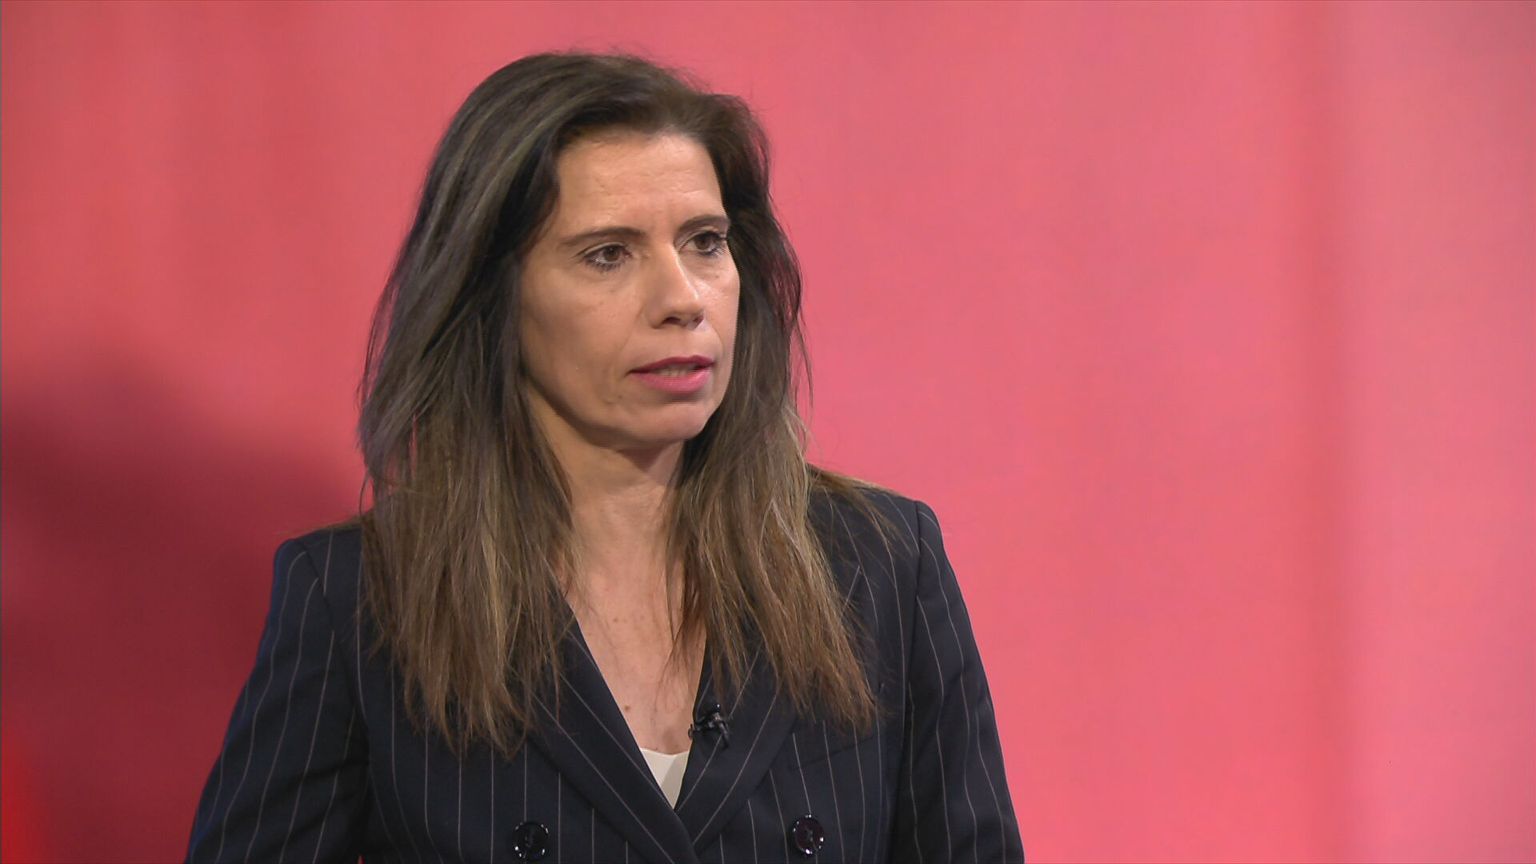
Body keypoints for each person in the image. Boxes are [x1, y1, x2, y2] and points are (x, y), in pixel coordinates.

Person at [186, 52, 1023, 863]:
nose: (682, 299)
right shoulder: (360, 601)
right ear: (492, 296)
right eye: (608, 254)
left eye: (704, 242)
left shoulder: (880, 563)